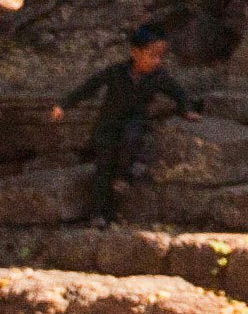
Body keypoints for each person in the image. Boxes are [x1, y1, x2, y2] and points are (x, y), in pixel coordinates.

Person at [53, 20, 190, 225]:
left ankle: (122, 177)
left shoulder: (158, 77)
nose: (156, 61)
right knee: (104, 168)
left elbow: (177, 92)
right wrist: (64, 105)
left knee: (131, 139)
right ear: (135, 53)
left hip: (134, 123)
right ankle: (99, 214)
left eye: (160, 56)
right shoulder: (116, 72)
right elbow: (90, 87)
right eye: (152, 55)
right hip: (108, 125)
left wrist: (186, 109)